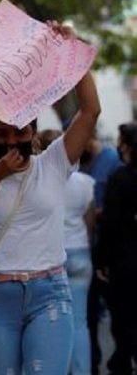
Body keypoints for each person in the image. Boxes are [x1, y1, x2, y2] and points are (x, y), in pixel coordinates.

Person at [0, 22, 100, 374]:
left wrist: (72, 47)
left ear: (33, 133)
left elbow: (90, 110)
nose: (11, 139)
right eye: (2, 133)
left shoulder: (53, 162)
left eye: (20, 132)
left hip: (49, 293)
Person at [39, 129, 96, 375]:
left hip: (52, 255)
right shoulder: (86, 182)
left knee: (51, 322)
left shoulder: (40, 182)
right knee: (80, 321)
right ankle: (82, 370)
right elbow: (90, 220)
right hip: (81, 250)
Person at [79, 128, 125, 374]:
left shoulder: (111, 162)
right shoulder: (79, 164)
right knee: (88, 314)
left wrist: (100, 212)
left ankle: (120, 359)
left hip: (108, 248)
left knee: (118, 311)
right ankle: (92, 361)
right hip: (86, 247)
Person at [95, 122, 137, 375]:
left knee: (124, 318)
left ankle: (121, 361)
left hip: (125, 261)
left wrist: (101, 260)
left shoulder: (120, 179)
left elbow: (110, 224)